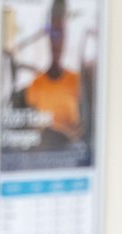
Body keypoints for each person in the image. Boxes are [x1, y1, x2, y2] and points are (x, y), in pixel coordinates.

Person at [23, 0, 82, 147]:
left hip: (69, 156)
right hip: (43, 155)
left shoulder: (76, 82)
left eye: (60, 34)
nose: (57, 42)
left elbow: (82, 130)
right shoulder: (36, 84)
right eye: (53, 34)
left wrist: (64, 134)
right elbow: (30, 130)